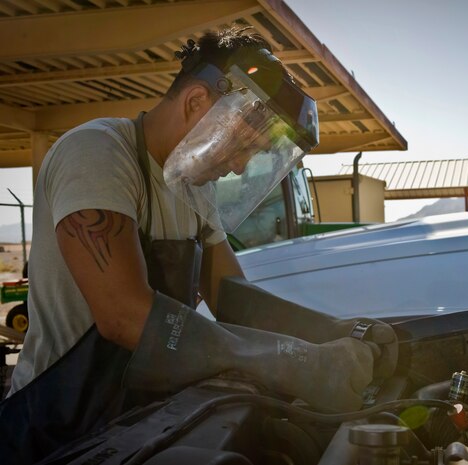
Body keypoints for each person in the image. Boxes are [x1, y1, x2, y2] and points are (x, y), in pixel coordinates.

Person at [0, 26, 396, 463]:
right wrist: (290, 362)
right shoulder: (97, 153)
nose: (242, 164)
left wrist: (336, 332)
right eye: (243, 144)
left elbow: (232, 297)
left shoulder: (192, 187)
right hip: (56, 433)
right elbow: (124, 315)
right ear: (195, 104)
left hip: (138, 419)